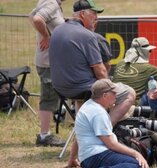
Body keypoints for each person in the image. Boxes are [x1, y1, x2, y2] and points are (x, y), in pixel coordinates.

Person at [48, 0, 136, 166]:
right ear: (82, 14)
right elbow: (101, 71)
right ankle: (104, 135)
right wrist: (112, 93)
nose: (97, 18)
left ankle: (73, 157)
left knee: (85, 117)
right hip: (84, 88)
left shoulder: (58, 30)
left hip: (62, 88)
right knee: (129, 93)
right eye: (94, 14)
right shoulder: (87, 36)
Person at [75, 79, 148, 168]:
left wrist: (72, 158)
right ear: (105, 95)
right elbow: (111, 144)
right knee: (137, 165)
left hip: (89, 157)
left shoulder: (88, 105)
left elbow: (78, 137)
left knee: (134, 163)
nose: (116, 96)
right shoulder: (98, 112)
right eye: (113, 93)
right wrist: (136, 153)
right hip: (96, 155)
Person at [28, 0, 66, 147]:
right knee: (48, 97)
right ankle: (44, 136)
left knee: (50, 95)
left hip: (46, 60)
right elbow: (37, 19)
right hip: (47, 61)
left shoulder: (46, 1)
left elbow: (31, 16)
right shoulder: (52, 3)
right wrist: (46, 36)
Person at [113, 37, 157, 105]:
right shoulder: (148, 68)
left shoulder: (120, 63)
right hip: (132, 105)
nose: (150, 53)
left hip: (112, 103)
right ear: (145, 52)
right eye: (149, 51)